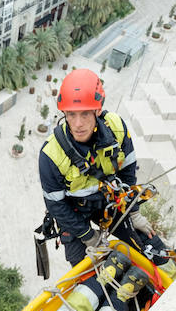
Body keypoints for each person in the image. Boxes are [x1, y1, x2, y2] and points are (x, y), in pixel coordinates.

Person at [38, 68, 164, 268]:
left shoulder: (116, 127)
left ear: (97, 110)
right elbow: (56, 205)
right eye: (71, 114)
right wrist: (88, 235)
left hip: (108, 201)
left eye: (85, 114)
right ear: (64, 113)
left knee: (151, 246)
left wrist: (133, 212)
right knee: (85, 269)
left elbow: (128, 173)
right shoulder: (51, 154)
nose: (78, 124)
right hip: (73, 213)